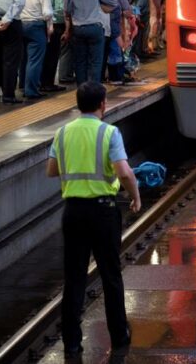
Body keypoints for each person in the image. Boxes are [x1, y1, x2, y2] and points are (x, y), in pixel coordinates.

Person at [46, 82, 141, 357]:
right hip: (102, 211)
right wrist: (135, 195)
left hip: (73, 212)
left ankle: (72, 342)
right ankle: (119, 336)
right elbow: (123, 171)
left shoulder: (62, 132)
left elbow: (51, 170)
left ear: (77, 104)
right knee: (111, 276)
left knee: (74, 278)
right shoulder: (109, 132)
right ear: (103, 104)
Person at [64, 0, 117, 85]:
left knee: (80, 60)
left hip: (78, 29)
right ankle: (94, 87)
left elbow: (67, 11)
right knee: (96, 61)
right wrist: (104, 8)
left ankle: (81, 88)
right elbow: (112, 2)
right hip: (95, 28)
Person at [18, 0, 53, 100]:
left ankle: (22, 85)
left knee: (23, 59)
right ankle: (31, 90)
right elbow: (47, 13)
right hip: (36, 27)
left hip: (20, 25)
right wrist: (49, 25)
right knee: (35, 60)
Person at [96, 0, 131, 84]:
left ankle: (100, 77)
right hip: (113, 25)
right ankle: (116, 76)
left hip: (97, 25)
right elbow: (126, 9)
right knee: (115, 51)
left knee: (101, 53)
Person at [41, 0, 67, 92]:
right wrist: (67, 26)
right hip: (55, 25)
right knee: (52, 55)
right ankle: (48, 83)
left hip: (40, 24)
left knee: (43, 55)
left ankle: (40, 82)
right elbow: (61, 9)